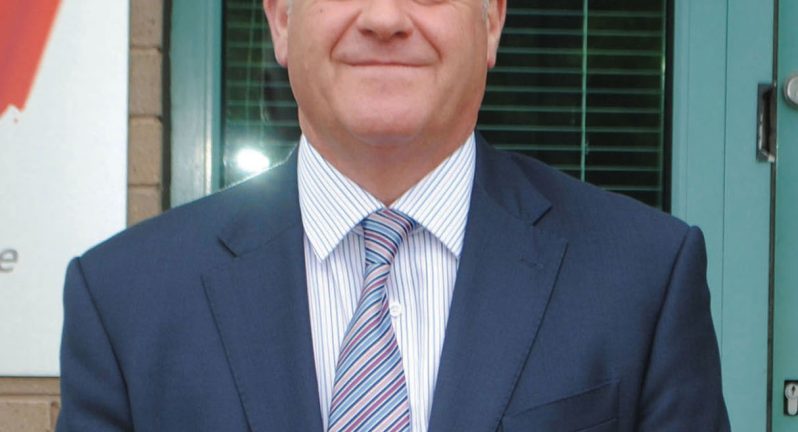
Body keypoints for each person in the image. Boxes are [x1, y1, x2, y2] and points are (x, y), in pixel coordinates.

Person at [57, 0, 731, 429]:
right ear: (281, 19)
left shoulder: (642, 278)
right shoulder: (125, 300)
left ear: (492, 21)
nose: (384, 17)